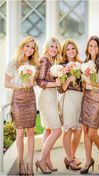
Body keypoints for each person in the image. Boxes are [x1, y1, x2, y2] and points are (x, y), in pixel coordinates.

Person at [5, 36, 39, 175]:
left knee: (31, 131)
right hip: (18, 99)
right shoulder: (12, 63)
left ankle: (30, 164)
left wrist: (33, 83)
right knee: (20, 132)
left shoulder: (34, 64)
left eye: (32, 48)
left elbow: (35, 82)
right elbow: (6, 83)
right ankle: (21, 163)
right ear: (22, 46)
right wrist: (20, 85)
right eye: (27, 46)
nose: (29, 50)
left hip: (30, 98)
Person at [80, 36, 99, 174]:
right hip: (87, 98)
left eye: (95, 46)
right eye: (90, 46)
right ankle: (88, 160)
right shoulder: (85, 62)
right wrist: (84, 82)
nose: (93, 48)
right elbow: (84, 82)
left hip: (98, 98)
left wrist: (90, 83)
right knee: (85, 131)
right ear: (87, 48)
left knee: (92, 132)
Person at [36, 37, 62, 174]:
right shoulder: (44, 60)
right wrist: (56, 83)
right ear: (47, 47)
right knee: (57, 130)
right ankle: (41, 160)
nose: (54, 49)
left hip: (51, 97)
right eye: (52, 46)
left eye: (56, 47)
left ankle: (47, 161)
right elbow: (40, 81)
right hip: (46, 97)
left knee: (48, 130)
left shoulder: (52, 61)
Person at [59, 39, 83, 170]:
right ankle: (69, 159)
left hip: (80, 98)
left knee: (78, 130)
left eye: (73, 48)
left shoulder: (81, 64)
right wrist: (69, 79)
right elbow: (60, 88)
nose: (71, 51)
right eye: (68, 49)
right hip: (68, 98)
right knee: (68, 129)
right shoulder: (61, 66)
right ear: (64, 51)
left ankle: (71, 156)